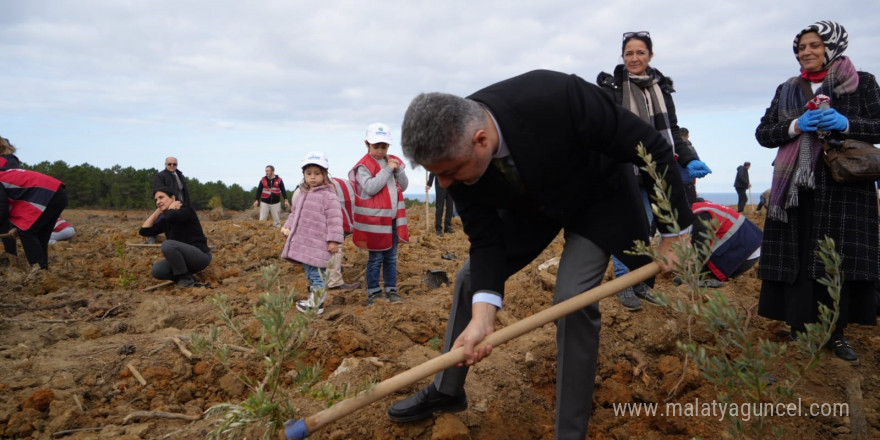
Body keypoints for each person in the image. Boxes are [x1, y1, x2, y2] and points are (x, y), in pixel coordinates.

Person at [386, 70, 693, 439]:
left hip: (596, 202)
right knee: (471, 278)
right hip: (529, 209)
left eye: (450, 173)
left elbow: (652, 149)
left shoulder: (557, 96)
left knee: (573, 300)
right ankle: (447, 391)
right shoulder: (454, 157)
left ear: (480, 140)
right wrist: (484, 317)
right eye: (440, 176)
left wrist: (674, 231)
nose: (446, 184)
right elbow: (485, 239)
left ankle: (569, 431)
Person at [755, 21, 879, 364]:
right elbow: (764, 133)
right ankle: (799, 327)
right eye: (800, 47)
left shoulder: (862, 82)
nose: (806, 52)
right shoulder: (787, 88)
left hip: (845, 190)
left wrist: (846, 123)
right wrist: (796, 126)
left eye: (813, 45)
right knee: (798, 255)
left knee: (837, 260)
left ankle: (836, 333)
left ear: (833, 45)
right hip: (796, 189)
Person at [596, 30, 711, 311]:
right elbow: (604, 129)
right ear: (622, 57)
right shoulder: (612, 88)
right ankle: (624, 284)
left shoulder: (661, 89)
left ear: (650, 55)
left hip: (657, 168)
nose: (634, 58)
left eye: (640, 52)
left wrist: (688, 158)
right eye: (629, 53)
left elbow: (671, 129)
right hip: (625, 167)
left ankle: (641, 283)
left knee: (647, 226)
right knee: (627, 226)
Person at [349, 122, 409, 306]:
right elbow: (371, 187)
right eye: (376, 146)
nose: (380, 150)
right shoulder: (363, 166)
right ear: (367, 144)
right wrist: (388, 169)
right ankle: (374, 292)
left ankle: (391, 289)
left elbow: (404, 186)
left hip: (391, 220)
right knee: (376, 258)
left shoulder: (391, 161)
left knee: (391, 258)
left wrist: (398, 170)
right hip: (374, 221)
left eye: (384, 146)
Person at [281, 152, 344, 315]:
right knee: (310, 273)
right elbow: (294, 213)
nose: (313, 177)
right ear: (303, 175)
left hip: (318, 244)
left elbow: (335, 220)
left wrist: (334, 241)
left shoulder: (328, 196)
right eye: (308, 174)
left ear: (325, 175)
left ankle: (316, 304)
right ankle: (313, 299)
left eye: (317, 174)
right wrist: (288, 226)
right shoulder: (303, 193)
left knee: (318, 275)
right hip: (305, 243)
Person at [138, 187, 211, 287]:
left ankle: (185, 281)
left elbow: (171, 216)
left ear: (173, 198)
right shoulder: (166, 219)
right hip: (183, 262)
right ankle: (187, 276)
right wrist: (157, 212)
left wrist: (171, 208)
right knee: (157, 271)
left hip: (200, 256)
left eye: (161, 197)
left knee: (168, 245)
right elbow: (144, 231)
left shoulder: (186, 210)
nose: (158, 202)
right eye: (156, 200)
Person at [0, 169, 68, 270]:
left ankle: (38, 273)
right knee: (40, 236)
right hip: (57, 194)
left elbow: (2, 208)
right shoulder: (5, 175)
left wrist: (18, 227)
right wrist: (16, 227)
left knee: (27, 232)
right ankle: (43, 272)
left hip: (48, 196)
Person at [691, 199, 762, 282]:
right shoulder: (701, 207)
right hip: (748, 247)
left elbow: (701, 251)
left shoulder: (699, 217)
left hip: (743, 258)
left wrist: (691, 276)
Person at [148, 157, 190, 244]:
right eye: (169, 164)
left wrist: (187, 204)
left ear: (177, 165)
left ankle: (178, 239)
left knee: (179, 221)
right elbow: (159, 191)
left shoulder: (180, 176)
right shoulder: (160, 176)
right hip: (168, 204)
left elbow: (184, 191)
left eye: (174, 164)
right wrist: (167, 203)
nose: (172, 166)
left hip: (181, 204)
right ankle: (151, 237)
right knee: (160, 219)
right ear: (165, 164)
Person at [0, 135, 22, 257]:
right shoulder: (11, 159)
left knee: (5, 227)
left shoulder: (8, 160)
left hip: (6, 198)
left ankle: (11, 258)